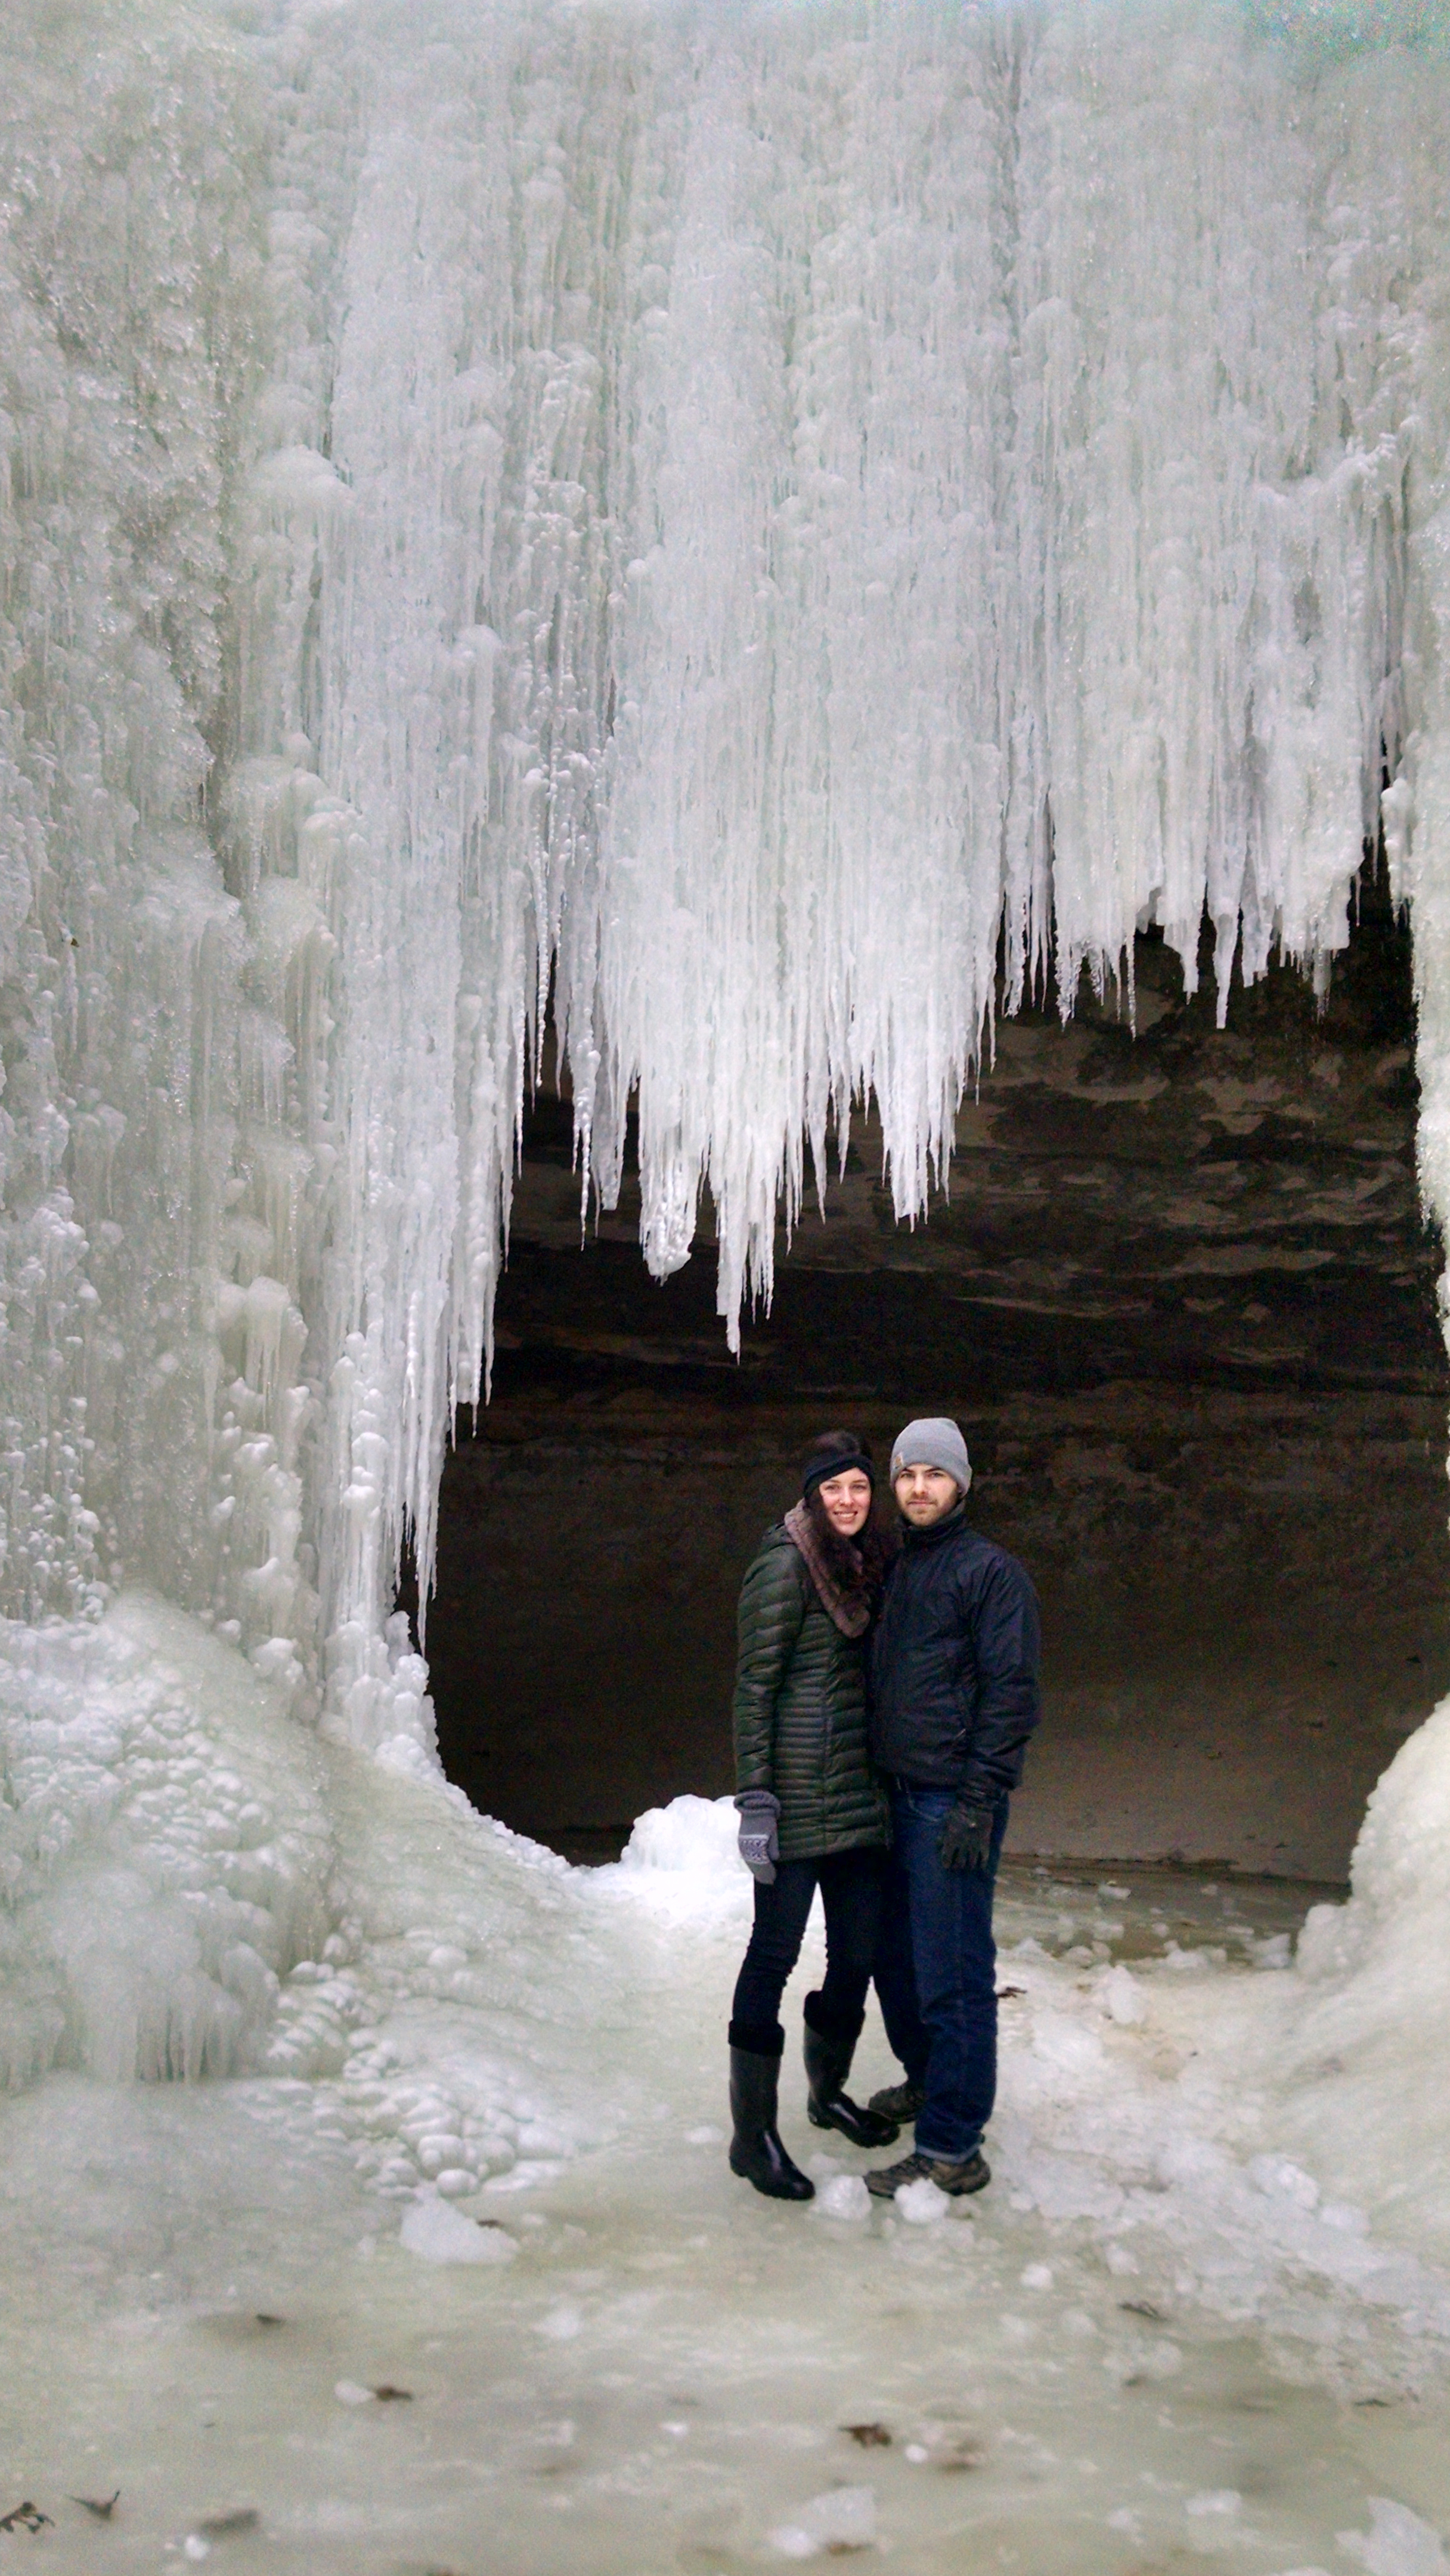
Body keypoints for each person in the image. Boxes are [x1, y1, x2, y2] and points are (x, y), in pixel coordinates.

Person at [863, 1417, 1040, 2200]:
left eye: (935, 1475)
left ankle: (952, 2147)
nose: (919, 1488)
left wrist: (978, 1798)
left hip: (948, 1803)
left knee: (953, 1974)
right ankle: (932, 2082)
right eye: (907, 1475)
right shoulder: (901, 1567)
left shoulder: (991, 1574)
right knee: (897, 1963)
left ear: (961, 1484)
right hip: (897, 1797)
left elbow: (1010, 1692)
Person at [727, 1432, 901, 2201]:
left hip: (858, 1797)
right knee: (773, 1955)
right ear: (812, 1496)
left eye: (860, 1488)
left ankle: (825, 2093)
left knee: (857, 1954)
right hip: (796, 1800)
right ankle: (752, 2136)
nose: (848, 1501)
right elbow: (754, 1686)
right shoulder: (785, 1564)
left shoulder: (870, 1564)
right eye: (834, 1489)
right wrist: (757, 1799)